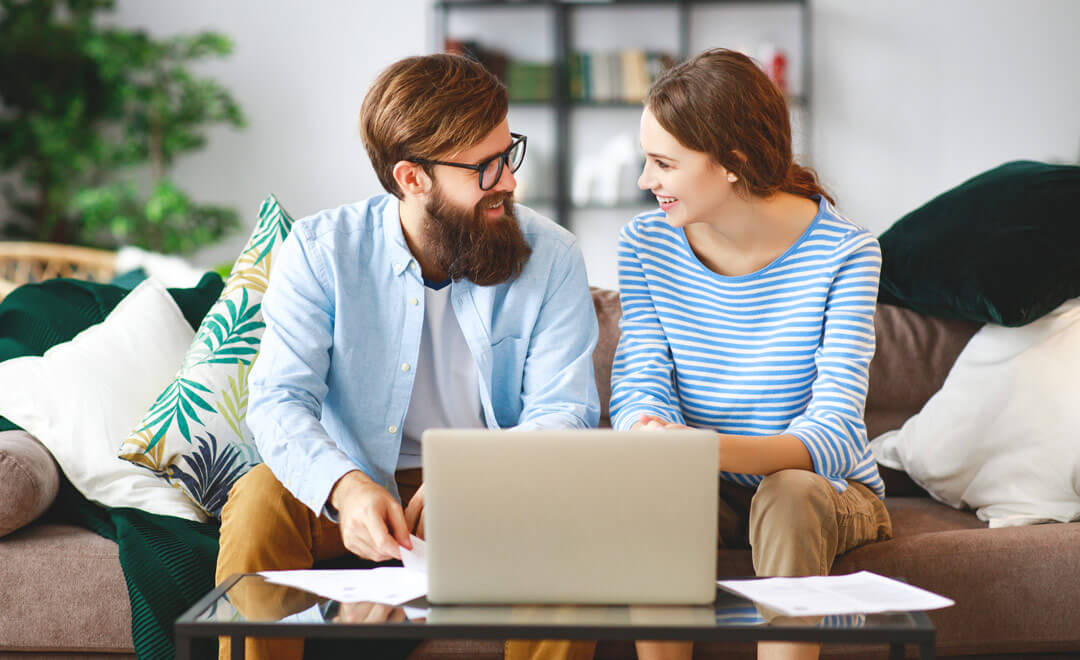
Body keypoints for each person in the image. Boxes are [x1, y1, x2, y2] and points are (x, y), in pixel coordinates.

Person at [216, 53, 600, 660]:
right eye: (485, 167)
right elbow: (278, 400)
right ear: (411, 177)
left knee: (574, 517)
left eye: (509, 153)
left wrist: (476, 479)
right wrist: (344, 488)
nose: (509, 180)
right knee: (261, 499)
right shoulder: (321, 252)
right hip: (360, 482)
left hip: (499, 490)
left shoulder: (551, 256)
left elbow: (567, 410)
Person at [511, 48, 892, 660]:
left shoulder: (846, 252)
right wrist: (650, 433)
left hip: (818, 488)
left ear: (733, 162)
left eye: (663, 163)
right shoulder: (645, 242)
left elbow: (838, 432)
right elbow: (640, 382)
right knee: (653, 490)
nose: (644, 180)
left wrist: (702, 449)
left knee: (788, 496)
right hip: (699, 481)